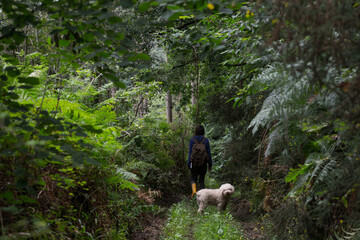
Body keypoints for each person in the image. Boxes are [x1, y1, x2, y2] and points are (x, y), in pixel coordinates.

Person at [187, 125, 212, 198]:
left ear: (196, 131)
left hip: (194, 163)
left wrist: (189, 163)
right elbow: (208, 153)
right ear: (203, 131)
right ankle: (202, 196)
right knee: (201, 180)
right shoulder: (206, 140)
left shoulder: (192, 140)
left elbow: (190, 153)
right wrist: (210, 165)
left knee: (193, 178)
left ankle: (194, 194)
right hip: (203, 164)